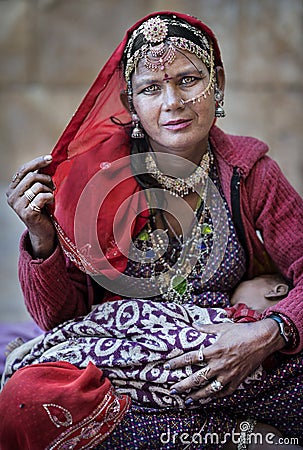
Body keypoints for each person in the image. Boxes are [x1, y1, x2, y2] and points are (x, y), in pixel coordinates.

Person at [3, 10, 303, 449]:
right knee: (25, 402)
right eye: (151, 88)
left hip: (231, 357)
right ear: (130, 105)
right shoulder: (95, 180)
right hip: (123, 371)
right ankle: (226, 435)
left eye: (188, 80)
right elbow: (59, 321)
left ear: (217, 82)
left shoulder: (248, 171)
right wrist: (41, 239)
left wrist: (263, 335)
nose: (173, 103)